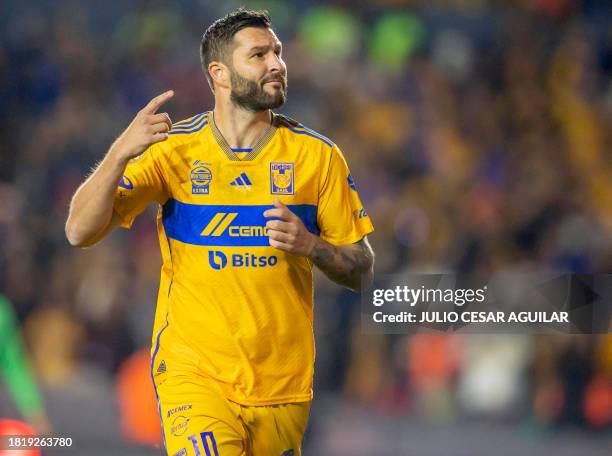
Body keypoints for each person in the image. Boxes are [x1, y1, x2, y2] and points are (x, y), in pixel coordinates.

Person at [65, 9, 374, 456]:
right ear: (220, 73)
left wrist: (312, 246)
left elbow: (362, 270)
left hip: (281, 386)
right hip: (195, 374)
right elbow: (79, 230)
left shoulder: (318, 157)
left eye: (278, 53)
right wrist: (118, 155)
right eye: (259, 54)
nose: (276, 64)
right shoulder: (173, 151)